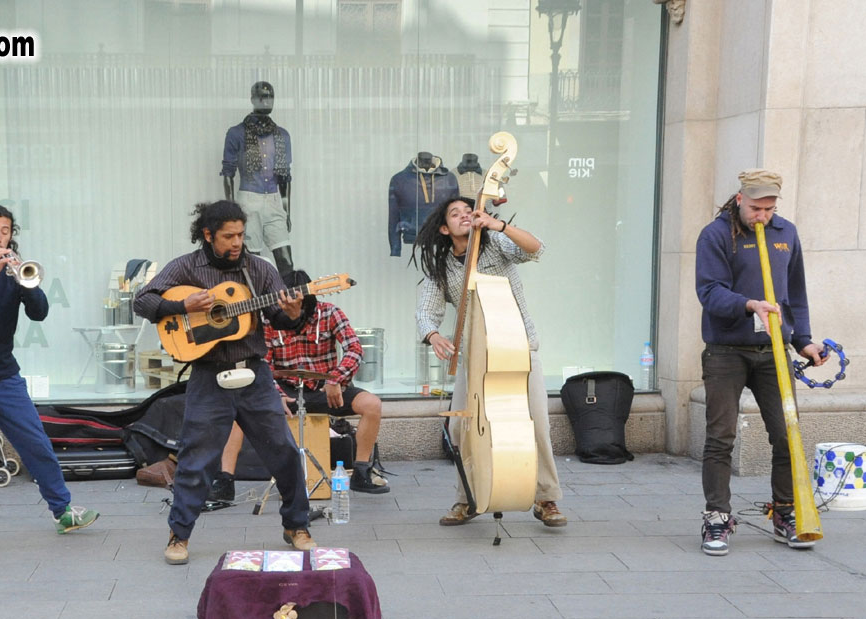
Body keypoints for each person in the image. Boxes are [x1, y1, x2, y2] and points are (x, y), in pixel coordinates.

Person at [133, 200, 315, 565]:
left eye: (241, 235)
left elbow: (279, 317)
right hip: (208, 375)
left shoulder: (259, 269)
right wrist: (183, 307)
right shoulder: (186, 267)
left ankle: (297, 526)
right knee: (195, 458)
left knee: (283, 450)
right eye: (228, 236)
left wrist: (294, 315)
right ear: (208, 235)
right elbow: (143, 301)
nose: (236, 243)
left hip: (254, 375)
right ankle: (179, 534)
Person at [0, 203, 99, 556]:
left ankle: (63, 512)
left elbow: (39, 313)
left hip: (4, 376)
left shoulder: (14, 272)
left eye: (5, 231)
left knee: (36, 444)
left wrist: (24, 281)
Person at [412, 194, 566, 528]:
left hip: (519, 349)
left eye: (469, 210)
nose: (464, 215)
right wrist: (433, 335)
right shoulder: (442, 267)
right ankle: (467, 497)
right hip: (475, 357)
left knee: (537, 423)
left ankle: (546, 497)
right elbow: (425, 310)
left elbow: (536, 249)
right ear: (444, 228)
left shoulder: (495, 242)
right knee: (460, 428)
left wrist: (500, 225)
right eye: (455, 213)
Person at [695, 169, 825, 556]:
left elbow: (795, 295)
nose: (762, 216)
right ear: (740, 199)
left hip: (774, 351)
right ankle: (717, 517)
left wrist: (803, 340)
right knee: (721, 436)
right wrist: (748, 304)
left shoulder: (786, 234)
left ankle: (785, 512)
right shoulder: (716, 235)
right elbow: (709, 292)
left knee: (787, 434)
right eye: (755, 208)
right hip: (726, 350)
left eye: (769, 209)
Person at [211, 270, 390, 499]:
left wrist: (335, 378)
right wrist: (276, 394)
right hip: (286, 390)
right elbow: (263, 364)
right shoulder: (269, 321)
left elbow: (354, 348)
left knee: (372, 405)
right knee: (239, 411)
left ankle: (361, 472)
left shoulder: (330, 312)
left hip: (325, 387)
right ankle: (225, 481)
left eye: (300, 309)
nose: (295, 316)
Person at [221, 81, 294, 277]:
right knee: (251, 261)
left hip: (274, 200)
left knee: (286, 262)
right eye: (262, 97)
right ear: (252, 99)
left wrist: (286, 211)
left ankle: (290, 296)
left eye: (270, 97)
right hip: (249, 200)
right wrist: (231, 212)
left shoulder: (282, 135)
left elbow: (285, 177)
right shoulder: (236, 133)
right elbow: (228, 172)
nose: (267, 101)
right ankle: (254, 297)